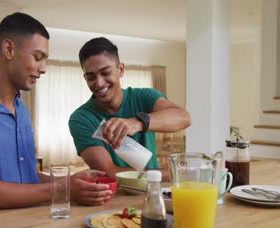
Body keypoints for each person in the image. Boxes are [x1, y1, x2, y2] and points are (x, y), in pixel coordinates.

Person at [0, 13, 112, 214]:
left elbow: (26, 177)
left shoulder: (20, 109)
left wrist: (73, 181)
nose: (43, 69)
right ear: (9, 49)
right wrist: (63, 187)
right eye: (37, 57)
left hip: (30, 226)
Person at [69, 37, 191, 180]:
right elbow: (109, 172)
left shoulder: (144, 97)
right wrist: (169, 173)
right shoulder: (81, 119)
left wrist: (137, 123)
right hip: (115, 196)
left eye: (106, 73)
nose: (99, 83)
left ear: (120, 70)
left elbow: (184, 118)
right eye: (91, 77)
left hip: (154, 189)